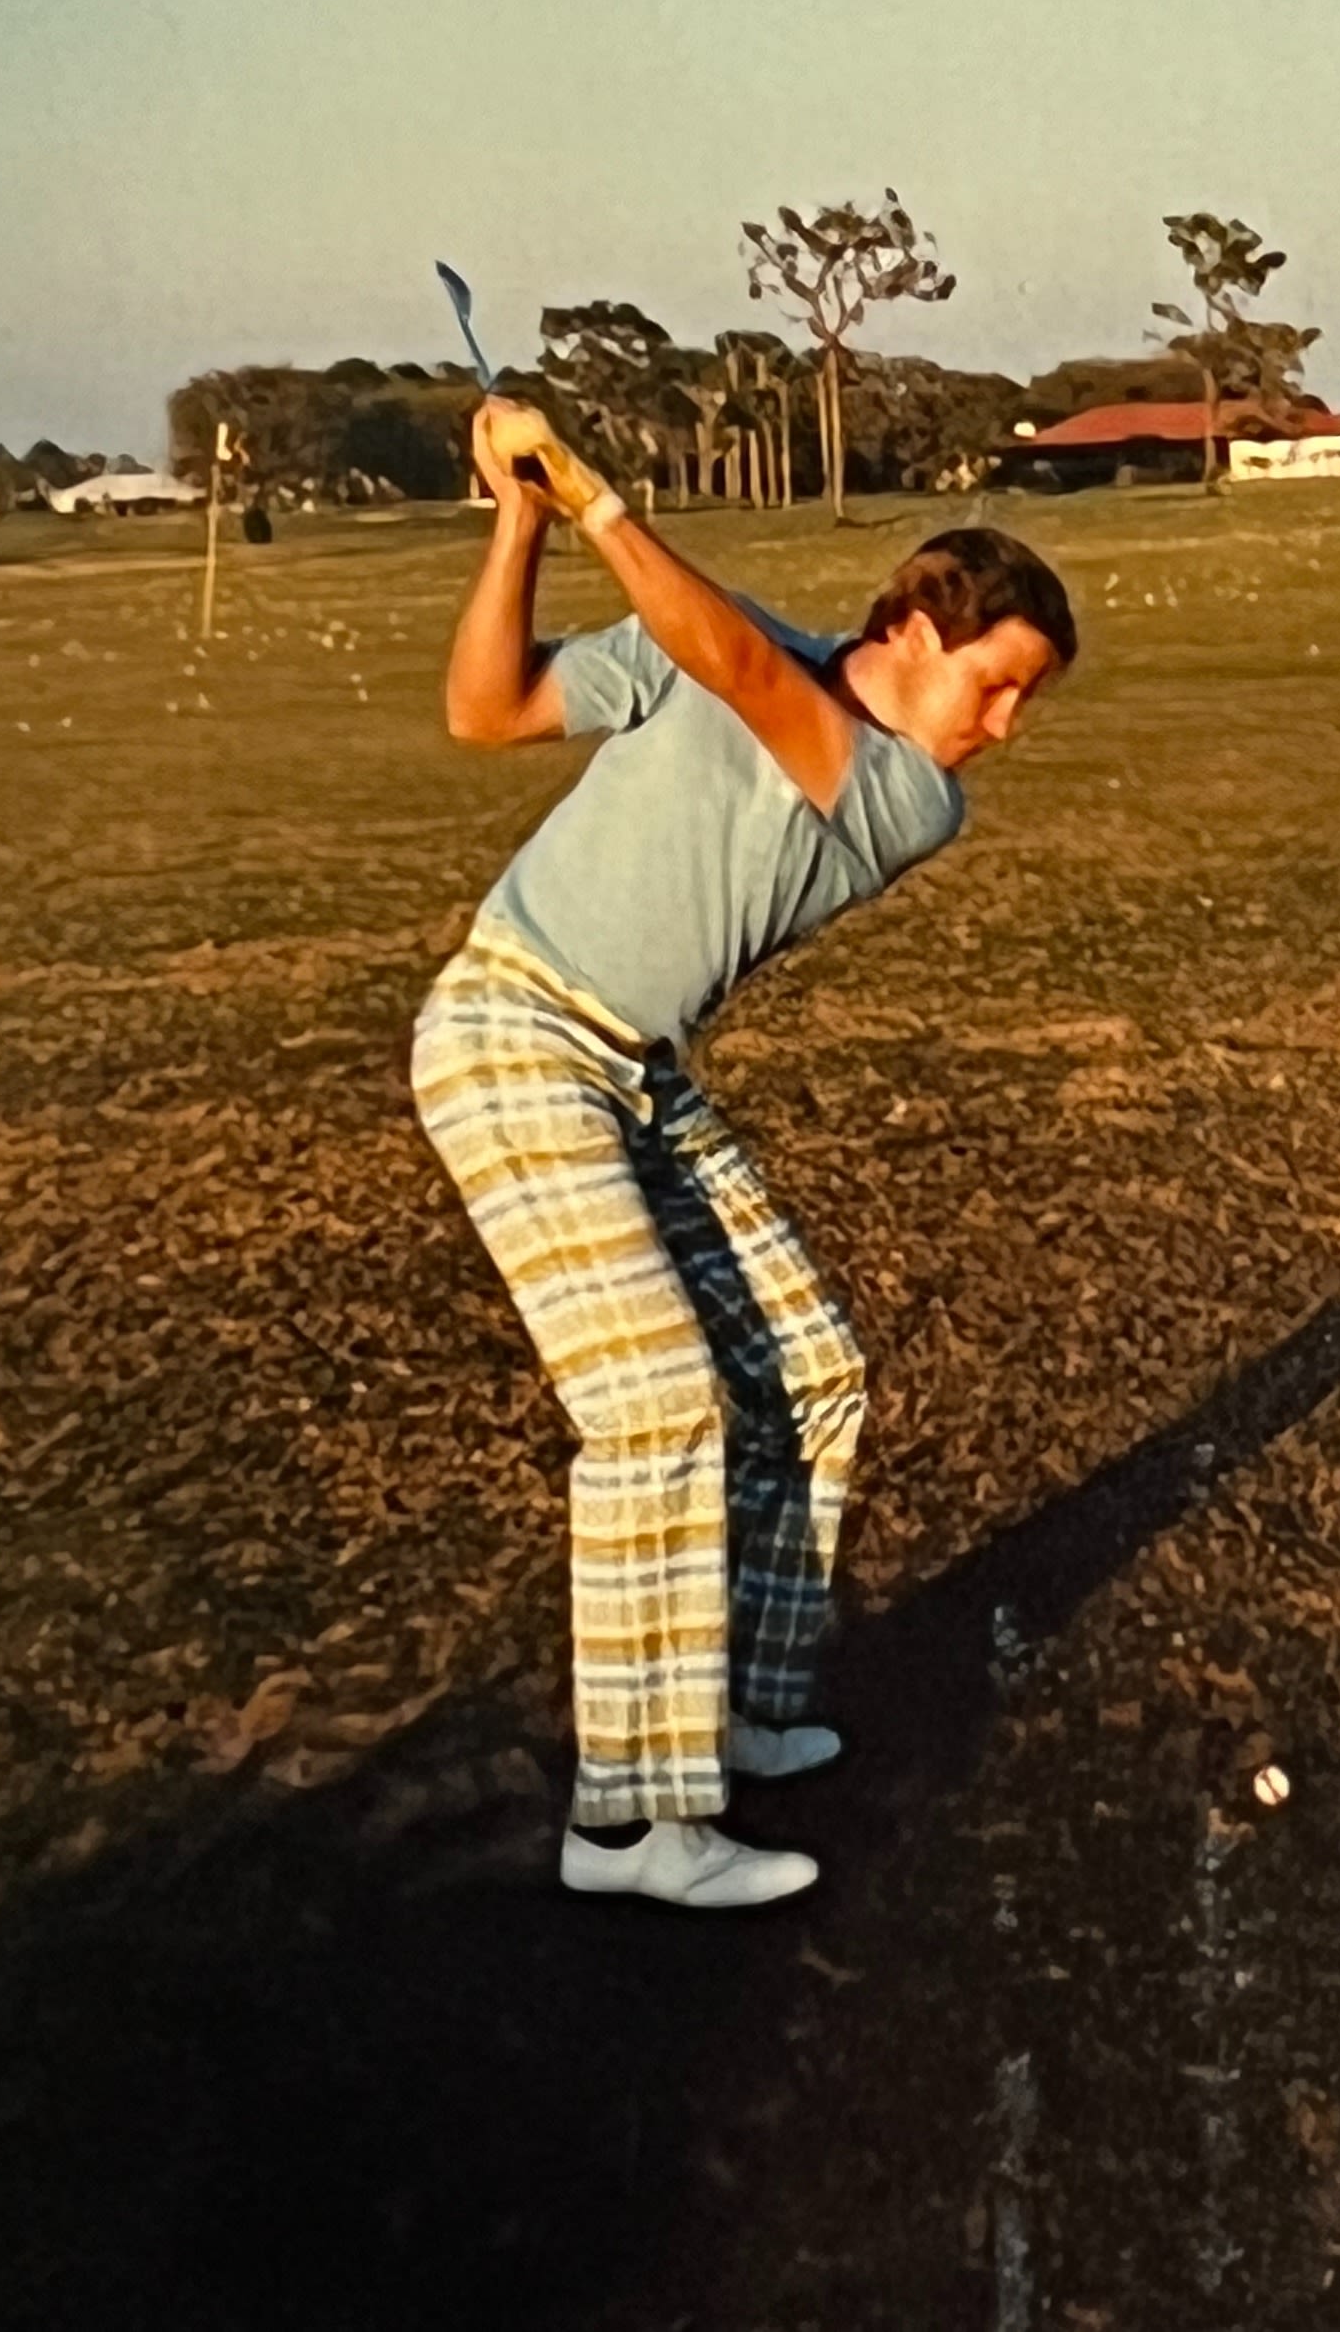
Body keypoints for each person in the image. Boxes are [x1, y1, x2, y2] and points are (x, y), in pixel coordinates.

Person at [413, 400, 1074, 1907]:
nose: (1003, 727)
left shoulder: (910, 791)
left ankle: (740, 1710)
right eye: (997, 684)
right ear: (911, 626)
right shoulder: (714, 643)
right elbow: (486, 708)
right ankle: (635, 1826)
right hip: (513, 1033)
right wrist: (521, 515)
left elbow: (741, 666)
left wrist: (600, 503)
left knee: (815, 1373)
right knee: (656, 1406)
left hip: (634, 1071)